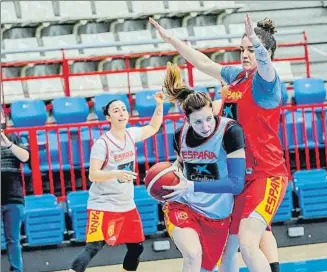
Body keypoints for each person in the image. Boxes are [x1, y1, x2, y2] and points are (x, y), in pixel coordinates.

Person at [150, 13, 288, 272]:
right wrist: (172, 40)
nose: (245, 54)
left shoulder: (267, 84)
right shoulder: (236, 77)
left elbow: (267, 65)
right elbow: (202, 62)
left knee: (249, 244)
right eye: (242, 49)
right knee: (228, 254)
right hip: (236, 175)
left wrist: (259, 48)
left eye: (251, 50)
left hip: (266, 174)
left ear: (266, 52)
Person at [159, 63, 247, 272]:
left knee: (207, 268)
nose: (205, 126)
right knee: (192, 255)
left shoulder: (230, 131)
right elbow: (181, 164)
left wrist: (189, 186)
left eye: (209, 119)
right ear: (187, 119)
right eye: (198, 122)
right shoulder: (180, 135)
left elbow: (236, 184)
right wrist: (167, 178)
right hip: (184, 206)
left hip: (217, 214)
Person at [69, 93, 165, 272]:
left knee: (137, 247)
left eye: (123, 109)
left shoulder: (131, 134)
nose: (121, 113)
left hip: (126, 204)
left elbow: (153, 127)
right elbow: (93, 175)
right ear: (108, 117)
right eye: (116, 110)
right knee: (93, 247)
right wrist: (116, 173)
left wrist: (159, 105)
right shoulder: (102, 143)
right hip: (102, 204)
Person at [1, 108, 31, 272]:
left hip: (13, 197)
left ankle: (16, 270)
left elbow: (26, 157)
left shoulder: (14, 138)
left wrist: (9, 144)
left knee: (13, 239)